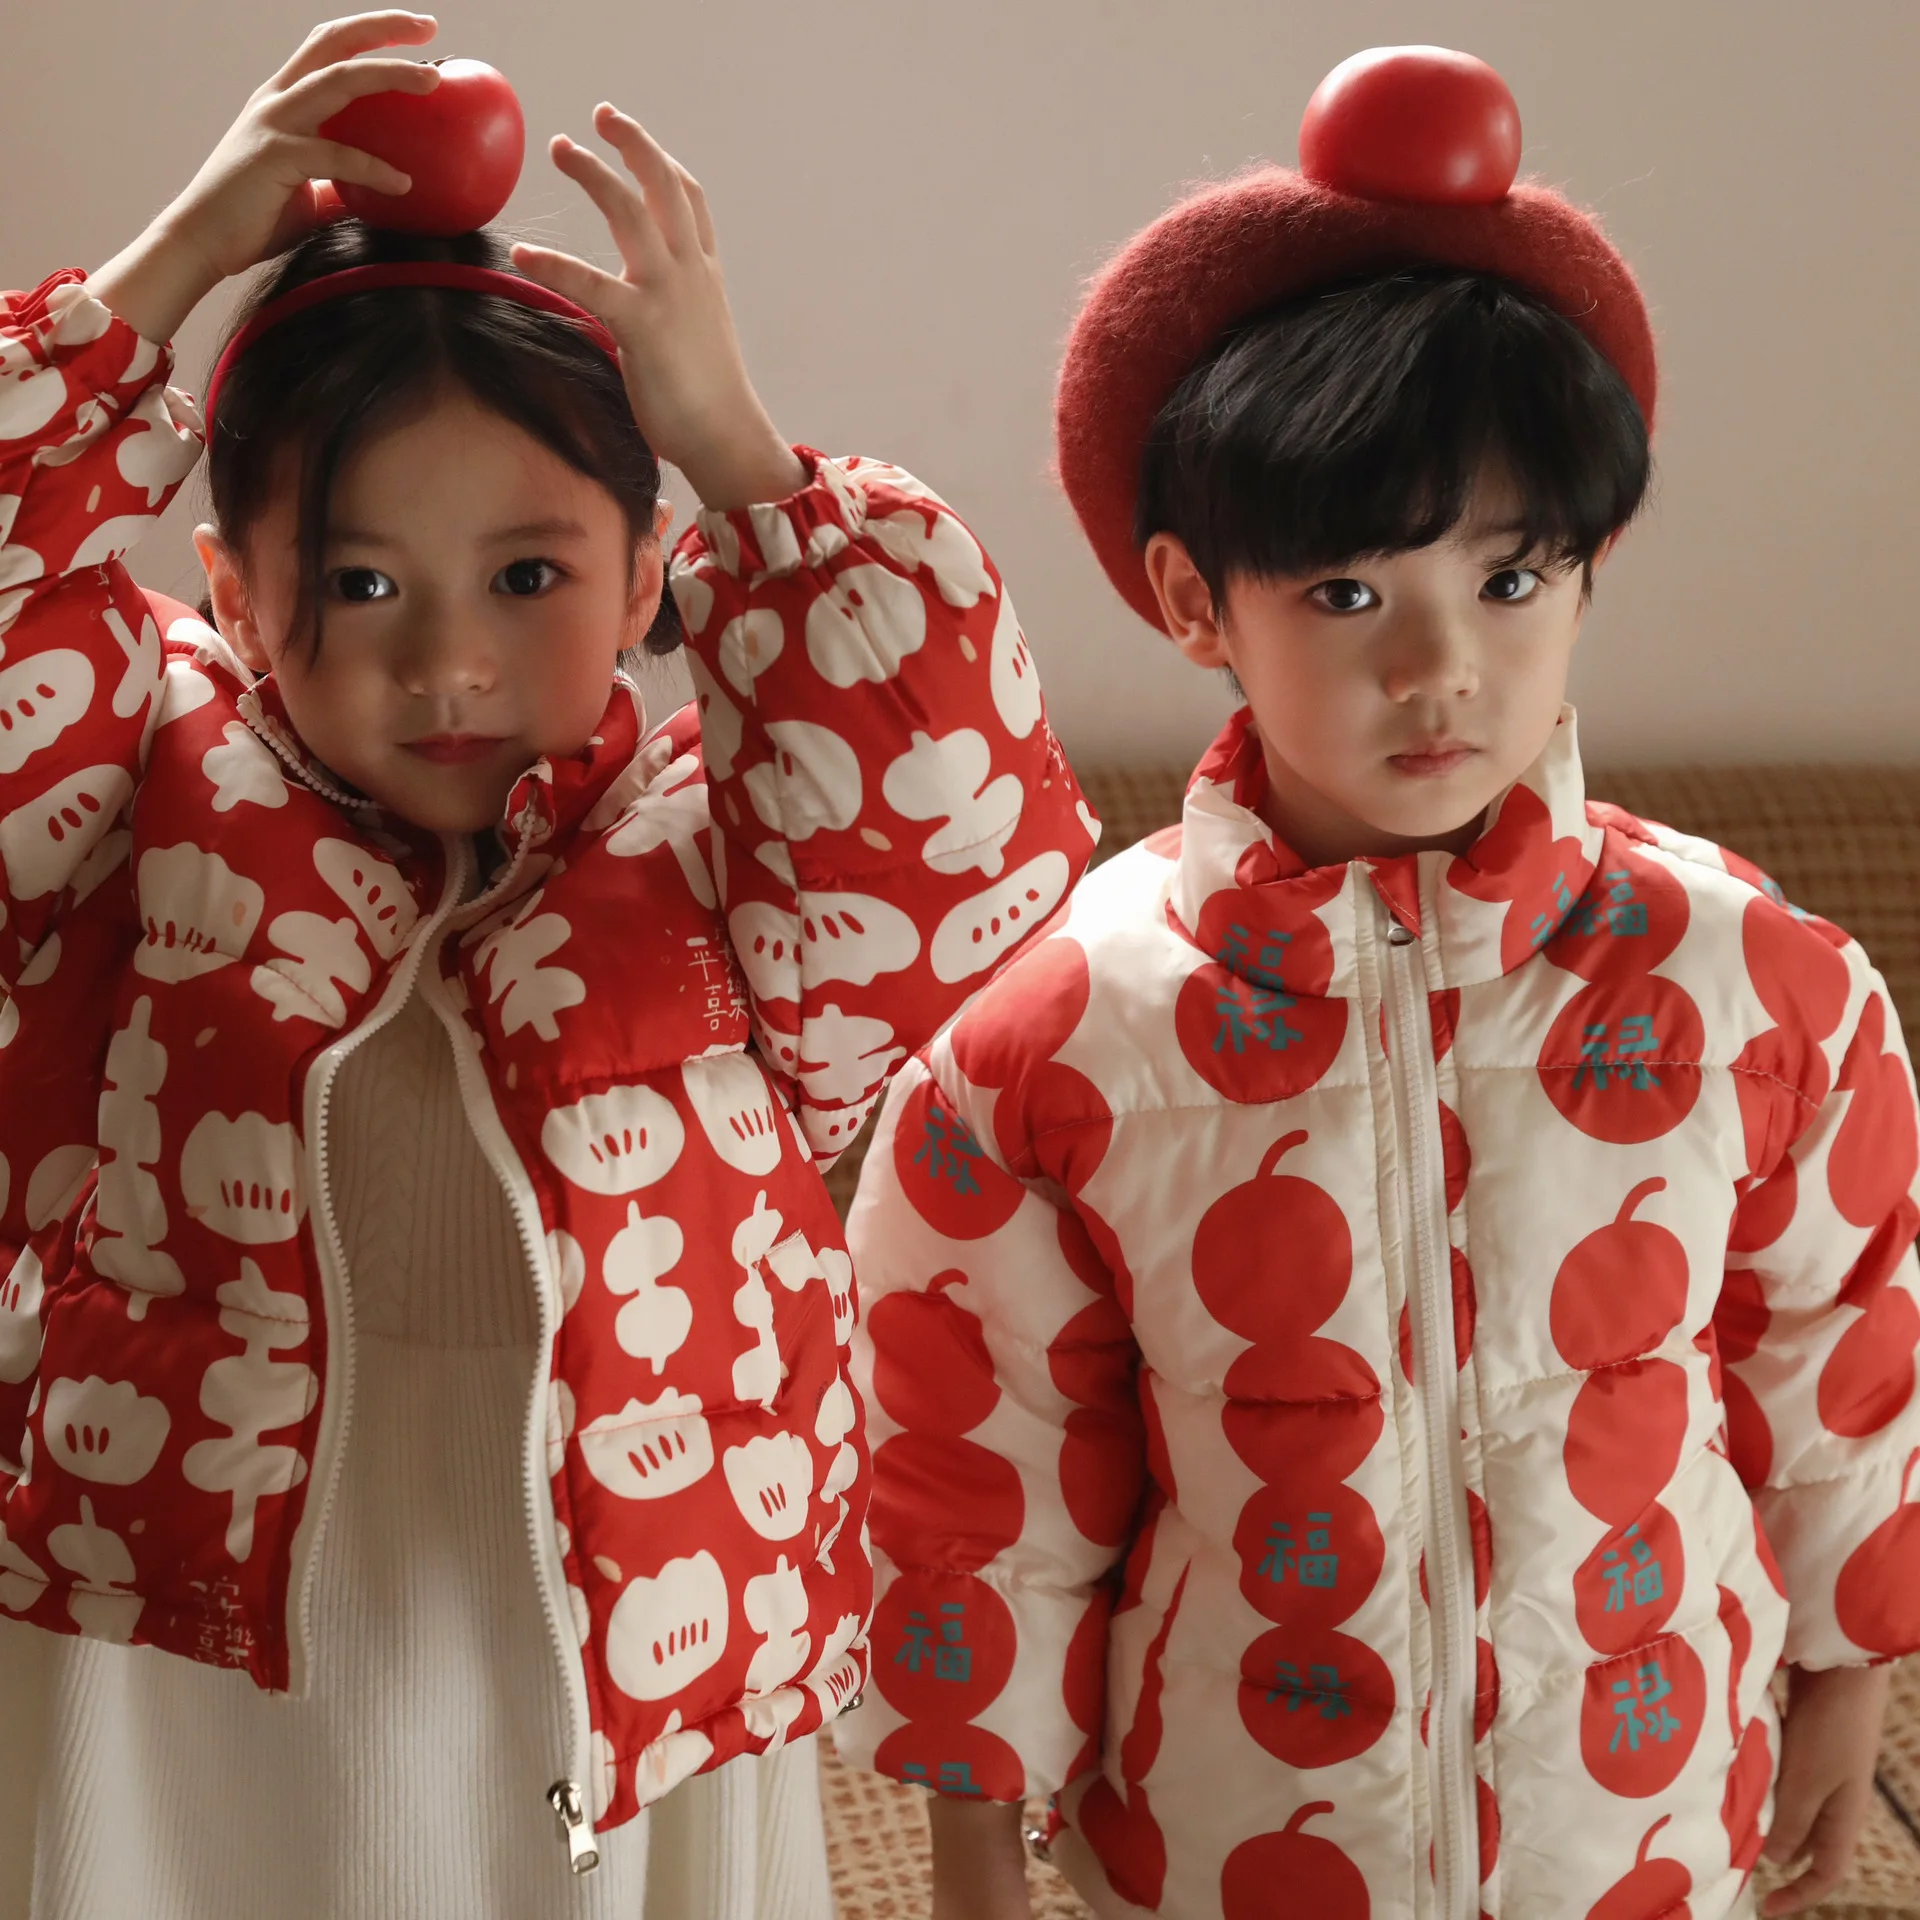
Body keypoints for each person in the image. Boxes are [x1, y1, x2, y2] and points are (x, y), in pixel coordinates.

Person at [0, 14, 1095, 1917]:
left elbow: (961, 863)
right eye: (359, 582)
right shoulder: (133, 786)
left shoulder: (730, 849)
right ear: (229, 587)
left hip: (626, 1618)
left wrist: (741, 451)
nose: (450, 664)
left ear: (652, 570)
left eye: (530, 576)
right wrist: (161, 274)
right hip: (187, 1609)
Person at [835, 44, 1920, 1920]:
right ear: (1196, 600)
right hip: (1231, 1847)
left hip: (1643, 1834)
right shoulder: (1055, 1042)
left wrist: (1851, 1672)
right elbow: (971, 1465)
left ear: (1587, 573)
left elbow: (1843, 1356)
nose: (1440, 669)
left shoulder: (1760, 987)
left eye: (1511, 579)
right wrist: (972, 1862)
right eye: (1348, 593)